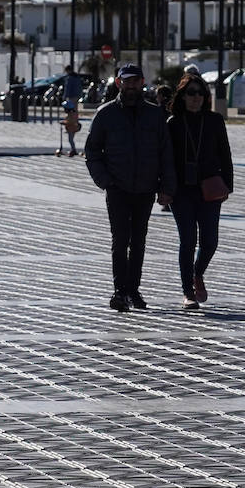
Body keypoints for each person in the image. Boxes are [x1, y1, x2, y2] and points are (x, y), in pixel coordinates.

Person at [84, 64, 176, 312]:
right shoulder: (106, 114)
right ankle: (119, 291)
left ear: (143, 82)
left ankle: (133, 289)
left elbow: (165, 152)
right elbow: (91, 151)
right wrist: (105, 181)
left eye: (136, 81)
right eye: (127, 81)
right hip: (117, 188)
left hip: (145, 188)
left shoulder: (156, 115)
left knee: (139, 241)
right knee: (120, 240)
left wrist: (166, 187)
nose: (131, 85)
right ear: (118, 83)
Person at [166, 73, 233, 310]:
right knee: (187, 240)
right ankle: (188, 292)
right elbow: (165, 159)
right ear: (182, 97)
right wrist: (164, 189)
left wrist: (228, 186)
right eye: (190, 93)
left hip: (209, 188)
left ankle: (197, 273)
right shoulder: (173, 123)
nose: (195, 98)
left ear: (206, 97)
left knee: (210, 242)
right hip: (182, 191)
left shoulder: (214, 120)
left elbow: (225, 155)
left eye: (200, 93)